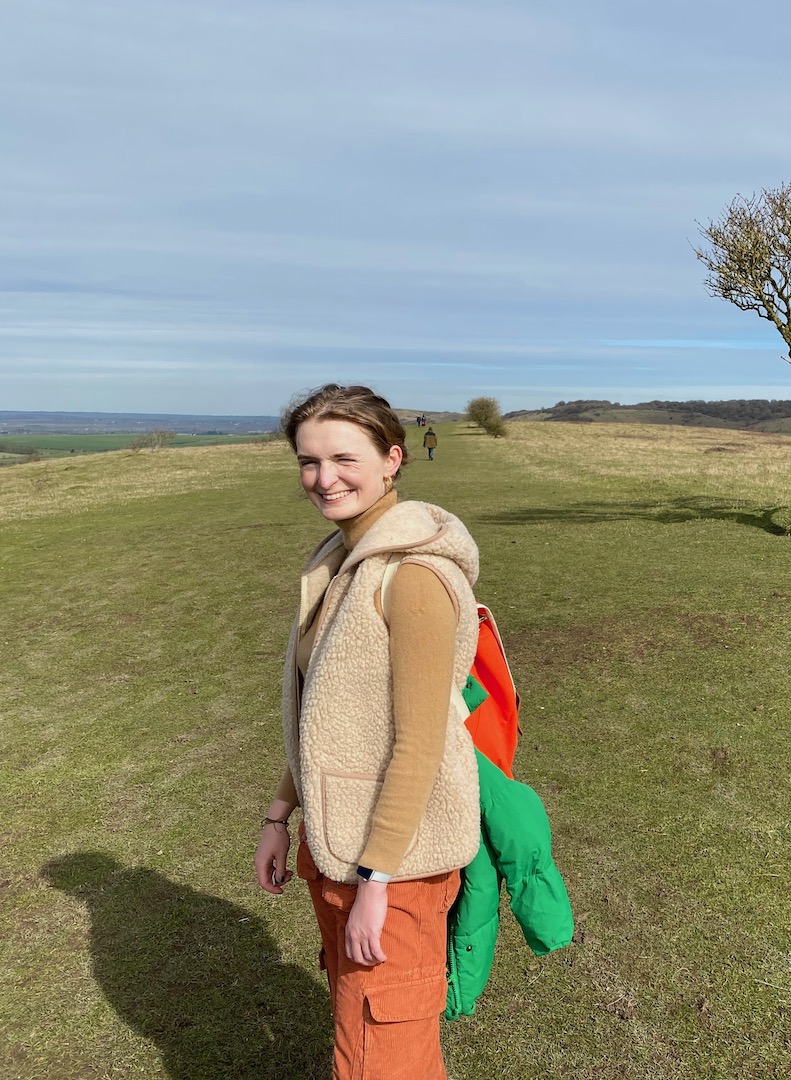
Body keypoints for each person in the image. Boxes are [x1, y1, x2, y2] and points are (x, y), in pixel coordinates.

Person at [254, 384, 480, 1080]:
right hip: (336, 847)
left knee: (386, 1057)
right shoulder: (335, 563)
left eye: (344, 458)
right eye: (308, 461)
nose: (324, 479)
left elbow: (422, 742)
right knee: (360, 1030)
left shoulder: (412, 575)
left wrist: (378, 881)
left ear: (392, 459)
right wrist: (279, 813)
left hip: (395, 864)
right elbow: (326, 717)